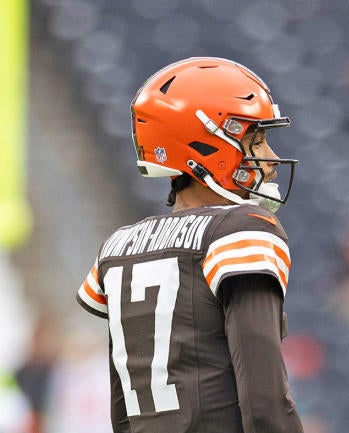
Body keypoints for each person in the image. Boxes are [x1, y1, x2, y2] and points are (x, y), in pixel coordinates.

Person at [75, 57, 304, 433]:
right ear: (205, 146)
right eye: (257, 140)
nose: (272, 159)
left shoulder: (118, 247)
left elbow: (122, 414)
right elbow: (266, 406)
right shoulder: (242, 229)